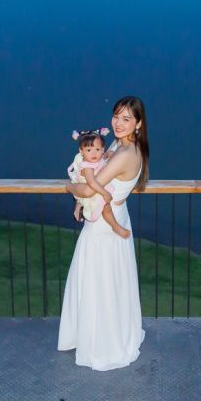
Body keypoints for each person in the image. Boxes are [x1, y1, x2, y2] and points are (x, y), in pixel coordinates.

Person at [58, 96, 149, 371]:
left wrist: (69, 188)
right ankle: (106, 333)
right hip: (115, 215)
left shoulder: (124, 154)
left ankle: (101, 342)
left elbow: (89, 188)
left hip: (103, 226)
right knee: (109, 279)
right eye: (116, 116)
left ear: (138, 123)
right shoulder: (125, 146)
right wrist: (81, 199)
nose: (118, 123)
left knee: (98, 279)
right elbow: (98, 177)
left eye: (126, 119)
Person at [67, 128, 130, 238]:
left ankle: (78, 208)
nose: (94, 153)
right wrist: (105, 193)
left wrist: (111, 154)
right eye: (88, 150)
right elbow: (91, 182)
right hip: (92, 190)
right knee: (106, 207)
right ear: (81, 151)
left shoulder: (98, 159)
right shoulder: (87, 167)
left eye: (97, 149)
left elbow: (103, 159)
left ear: (102, 150)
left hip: (95, 188)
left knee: (100, 203)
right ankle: (115, 226)